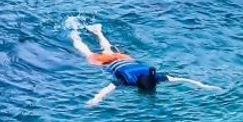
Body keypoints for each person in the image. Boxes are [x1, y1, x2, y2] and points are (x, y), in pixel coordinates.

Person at [69, 22, 217, 107]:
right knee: (89, 55)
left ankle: (97, 32)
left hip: (124, 58)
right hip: (114, 60)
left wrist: (203, 85)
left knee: (107, 50)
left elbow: (181, 79)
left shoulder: (155, 77)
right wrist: (96, 100)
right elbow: (107, 89)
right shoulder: (130, 81)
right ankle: (75, 35)